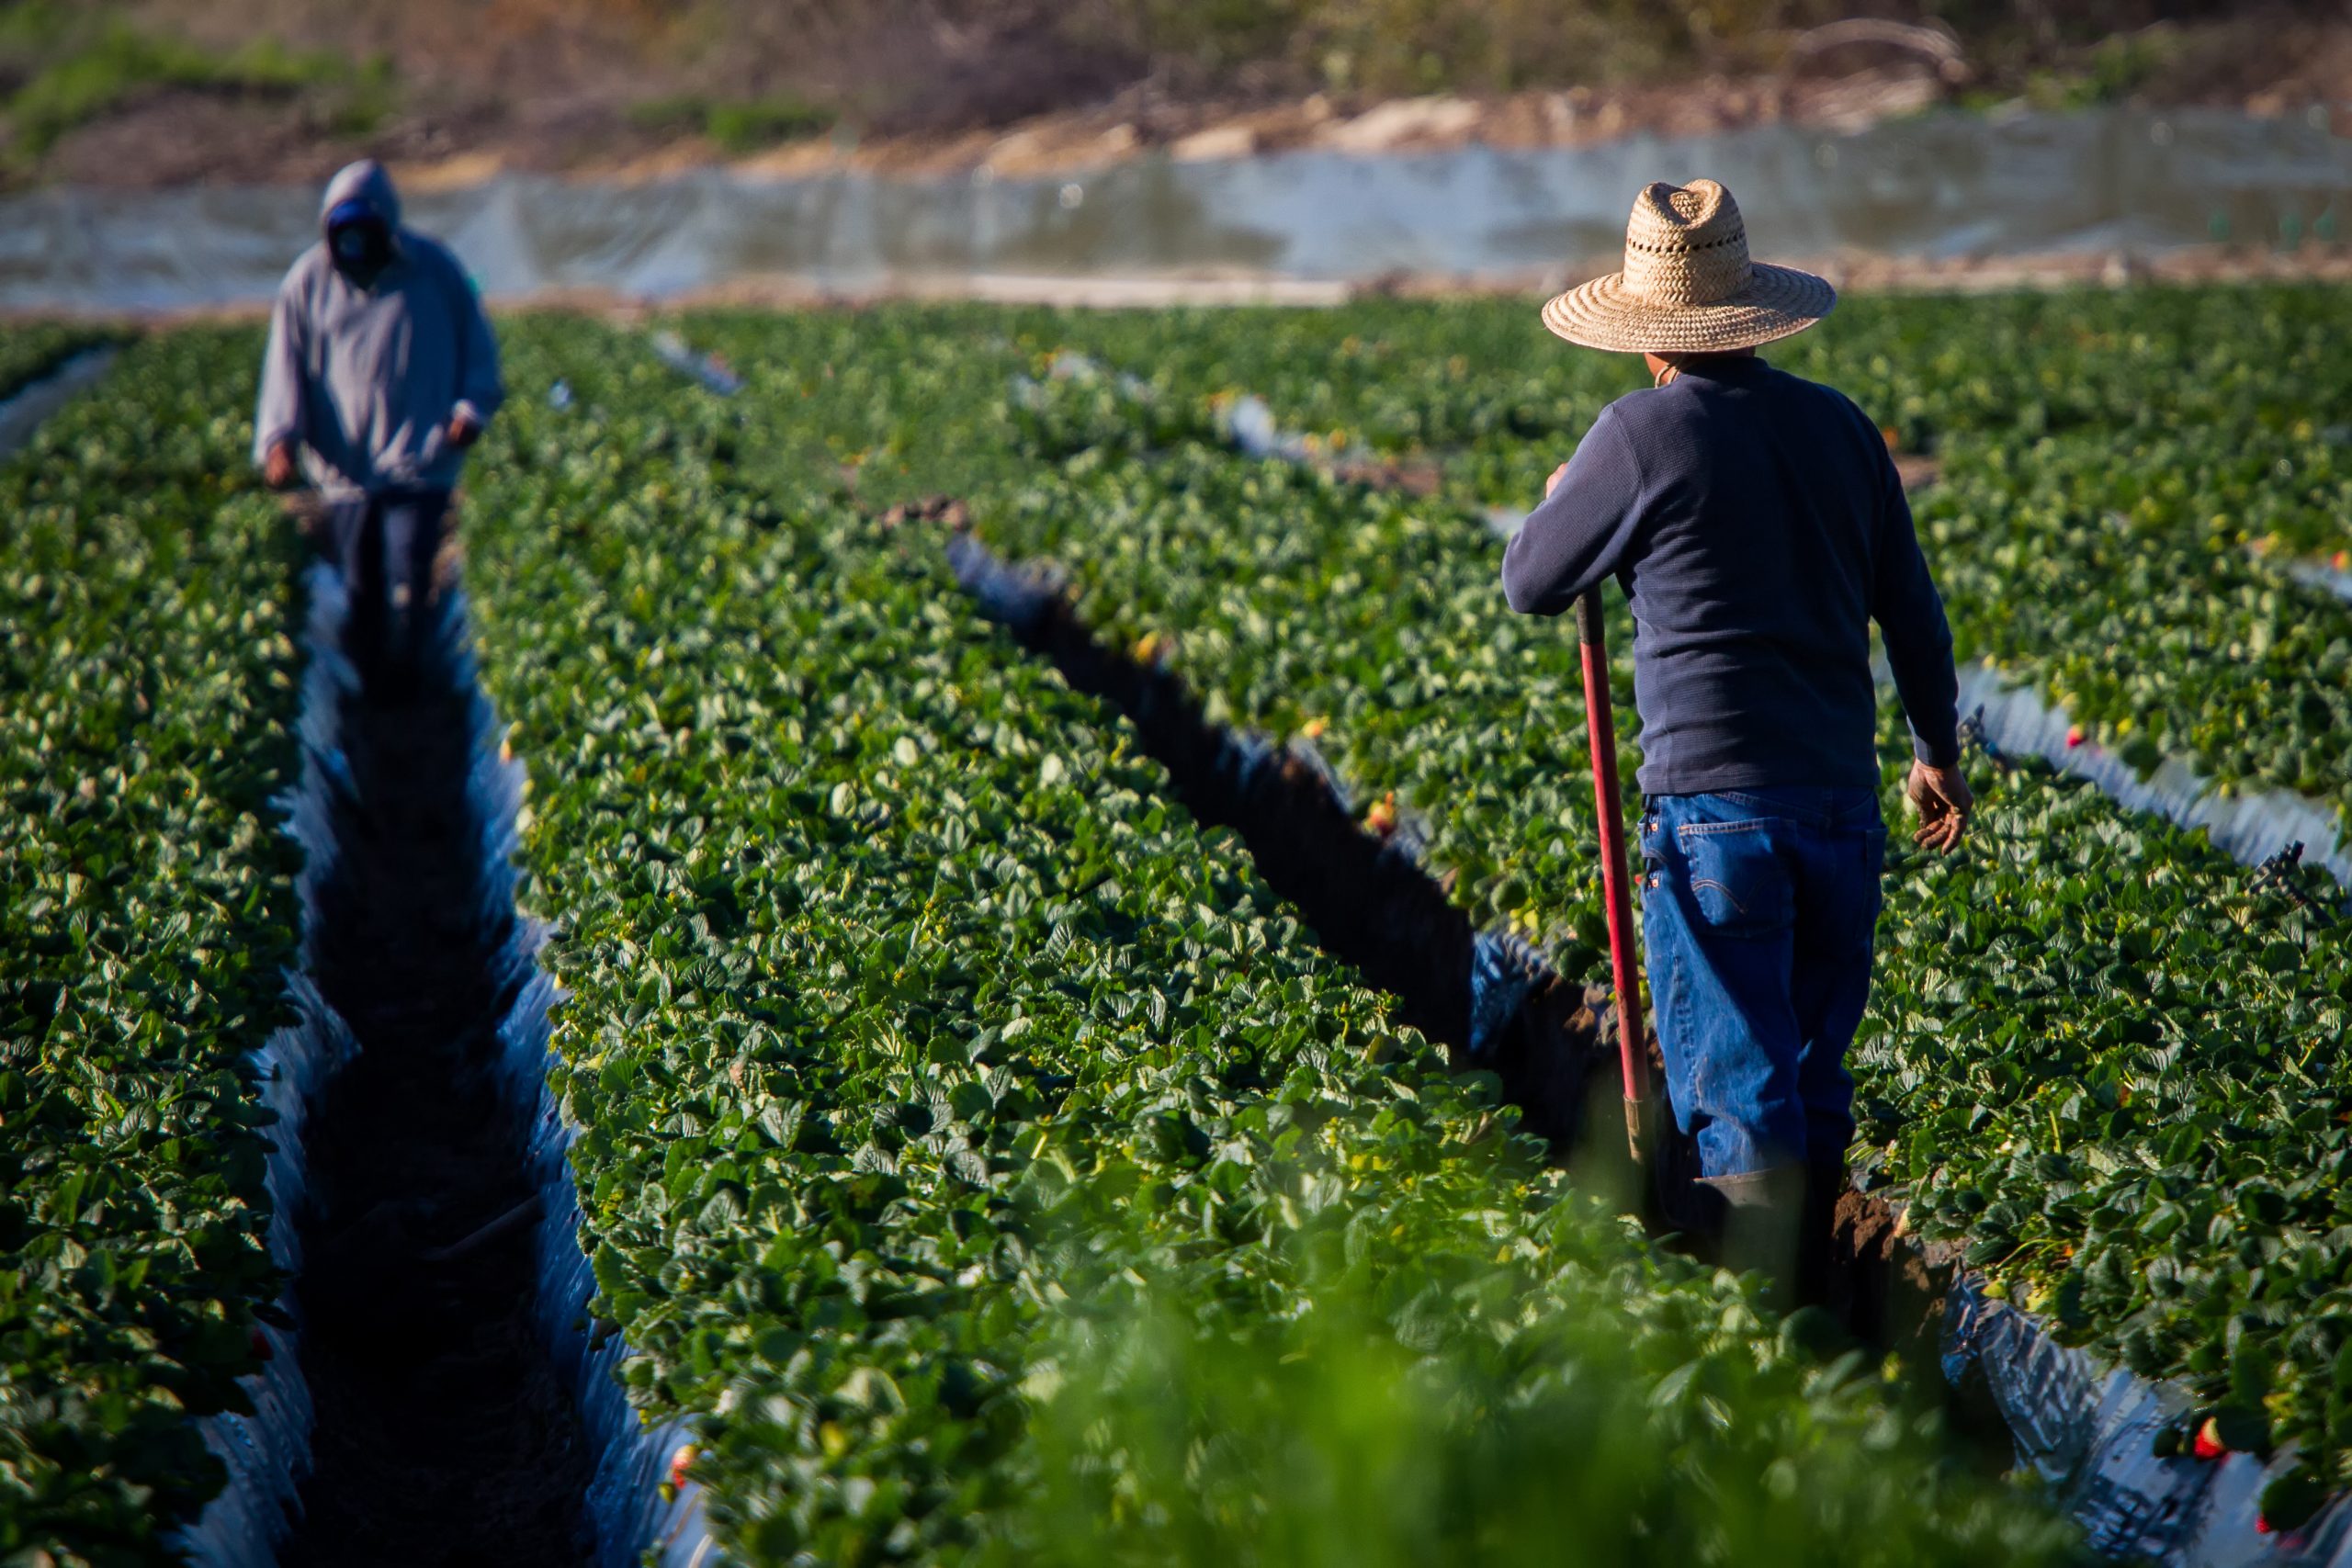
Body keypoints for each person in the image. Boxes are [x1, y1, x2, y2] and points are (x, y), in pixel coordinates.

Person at [1500, 178, 1972, 1304]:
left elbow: (1530, 579)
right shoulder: (1841, 427)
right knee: (1809, 1078)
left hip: (1714, 822)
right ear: (1749, 312)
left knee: (1741, 1096)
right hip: (1839, 812)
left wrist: (1568, 493)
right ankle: (1828, 1315)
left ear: (1646, 336)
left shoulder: (1638, 432)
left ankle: (1769, 1342)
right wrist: (1934, 756)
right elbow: (1911, 609)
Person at [254, 159, 503, 694]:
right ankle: (373, 691)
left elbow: (478, 352)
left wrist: (468, 412)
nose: (355, 249)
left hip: (421, 458)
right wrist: (279, 438)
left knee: (410, 576)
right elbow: (285, 367)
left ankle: (411, 685)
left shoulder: (434, 271)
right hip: (345, 468)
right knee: (362, 586)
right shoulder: (307, 283)